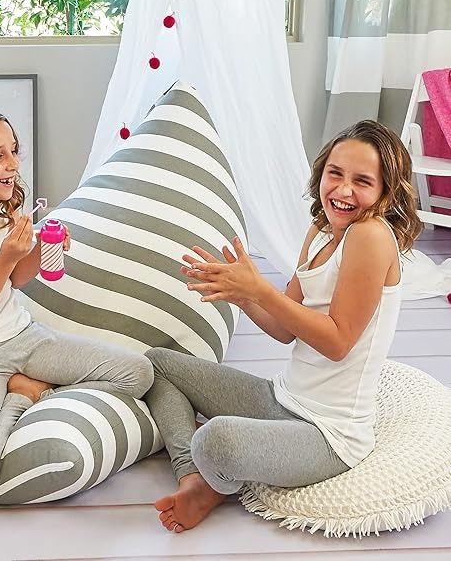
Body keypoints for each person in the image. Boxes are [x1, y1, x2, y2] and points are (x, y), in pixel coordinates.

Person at [144, 119, 423, 533]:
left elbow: (338, 342)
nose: (344, 190)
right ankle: (195, 476)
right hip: (282, 398)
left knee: (215, 440)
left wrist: (260, 288)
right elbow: (284, 328)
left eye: (362, 181)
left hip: (328, 434)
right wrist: (243, 295)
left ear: (386, 191)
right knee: (158, 363)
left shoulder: (370, 236)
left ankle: (213, 480)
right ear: (321, 172)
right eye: (335, 173)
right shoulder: (320, 231)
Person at [0, 107, 153, 488]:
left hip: (24, 337)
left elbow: (16, 280)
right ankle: (23, 395)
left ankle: (30, 386)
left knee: (139, 373)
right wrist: (6, 256)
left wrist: (42, 247)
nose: (13, 163)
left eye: (14, 150)